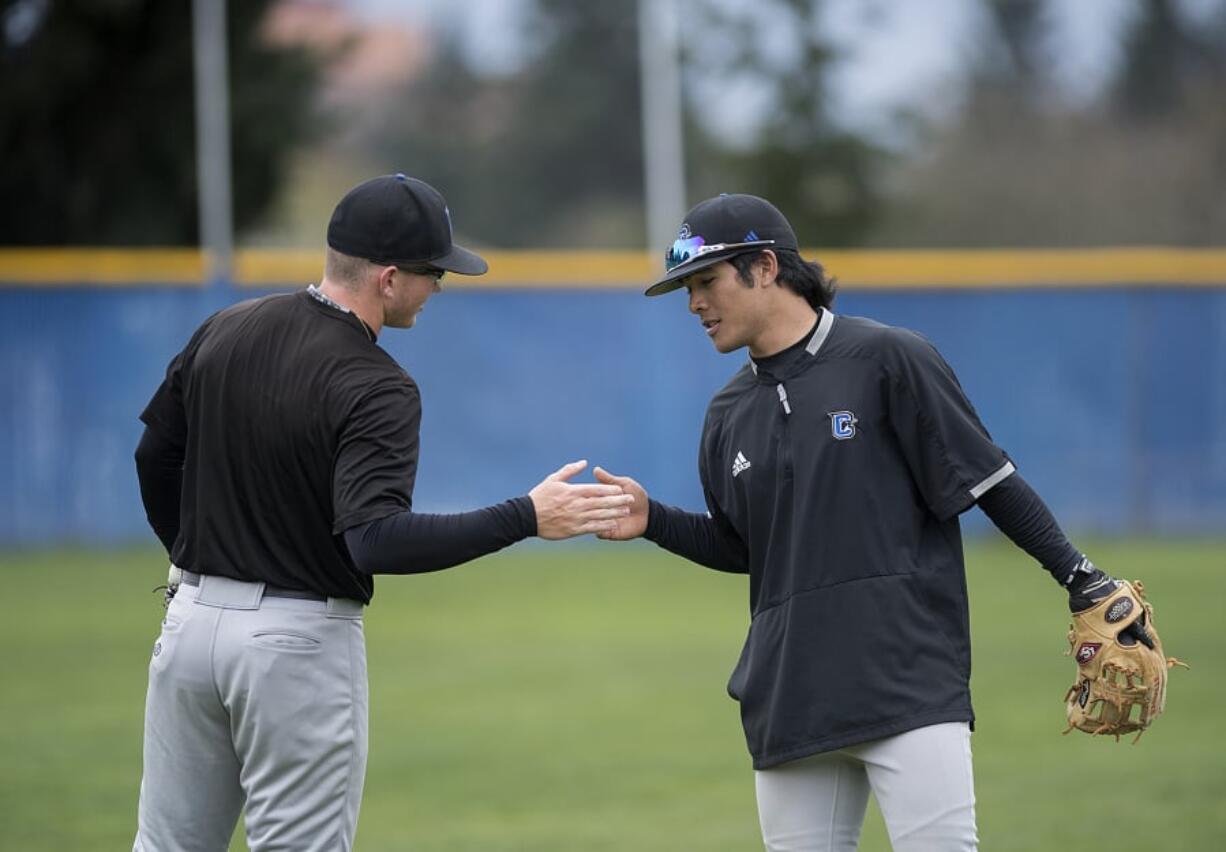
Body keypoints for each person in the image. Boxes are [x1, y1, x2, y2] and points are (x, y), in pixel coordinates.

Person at [594, 193, 1144, 852]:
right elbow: (745, 548)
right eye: (687, 288)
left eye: (706, 281)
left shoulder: (888, 359)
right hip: (790, 695)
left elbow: (989, 479)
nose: (694, 305)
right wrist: (654, 519)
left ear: (765, 266)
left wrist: (1080, 577)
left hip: (906, 680)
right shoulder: (727, 413)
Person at [131, 173, 634, 852]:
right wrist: (526, 515)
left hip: (188, 626)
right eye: (434, 273)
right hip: (293, 644)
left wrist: (192, 562)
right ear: (389, 279)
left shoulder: (227, 327)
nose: (439, 289)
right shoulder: (376, 384)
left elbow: (154, 458)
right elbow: (377, 542)